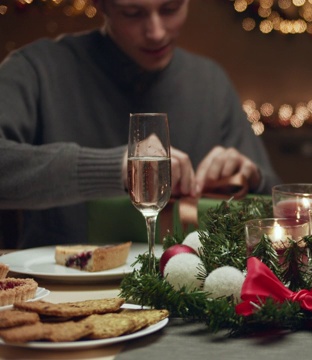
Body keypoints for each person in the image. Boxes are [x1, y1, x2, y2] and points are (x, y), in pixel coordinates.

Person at [0, 0, 280, 248]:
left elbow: (280, 205)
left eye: (171, 8)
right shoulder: (37, 69)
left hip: (185, 296)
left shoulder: (209, 81)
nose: (156, 32)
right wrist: (113, 168)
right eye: (132, 13)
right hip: (57, 293)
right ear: (101, 5)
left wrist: (252, 177)